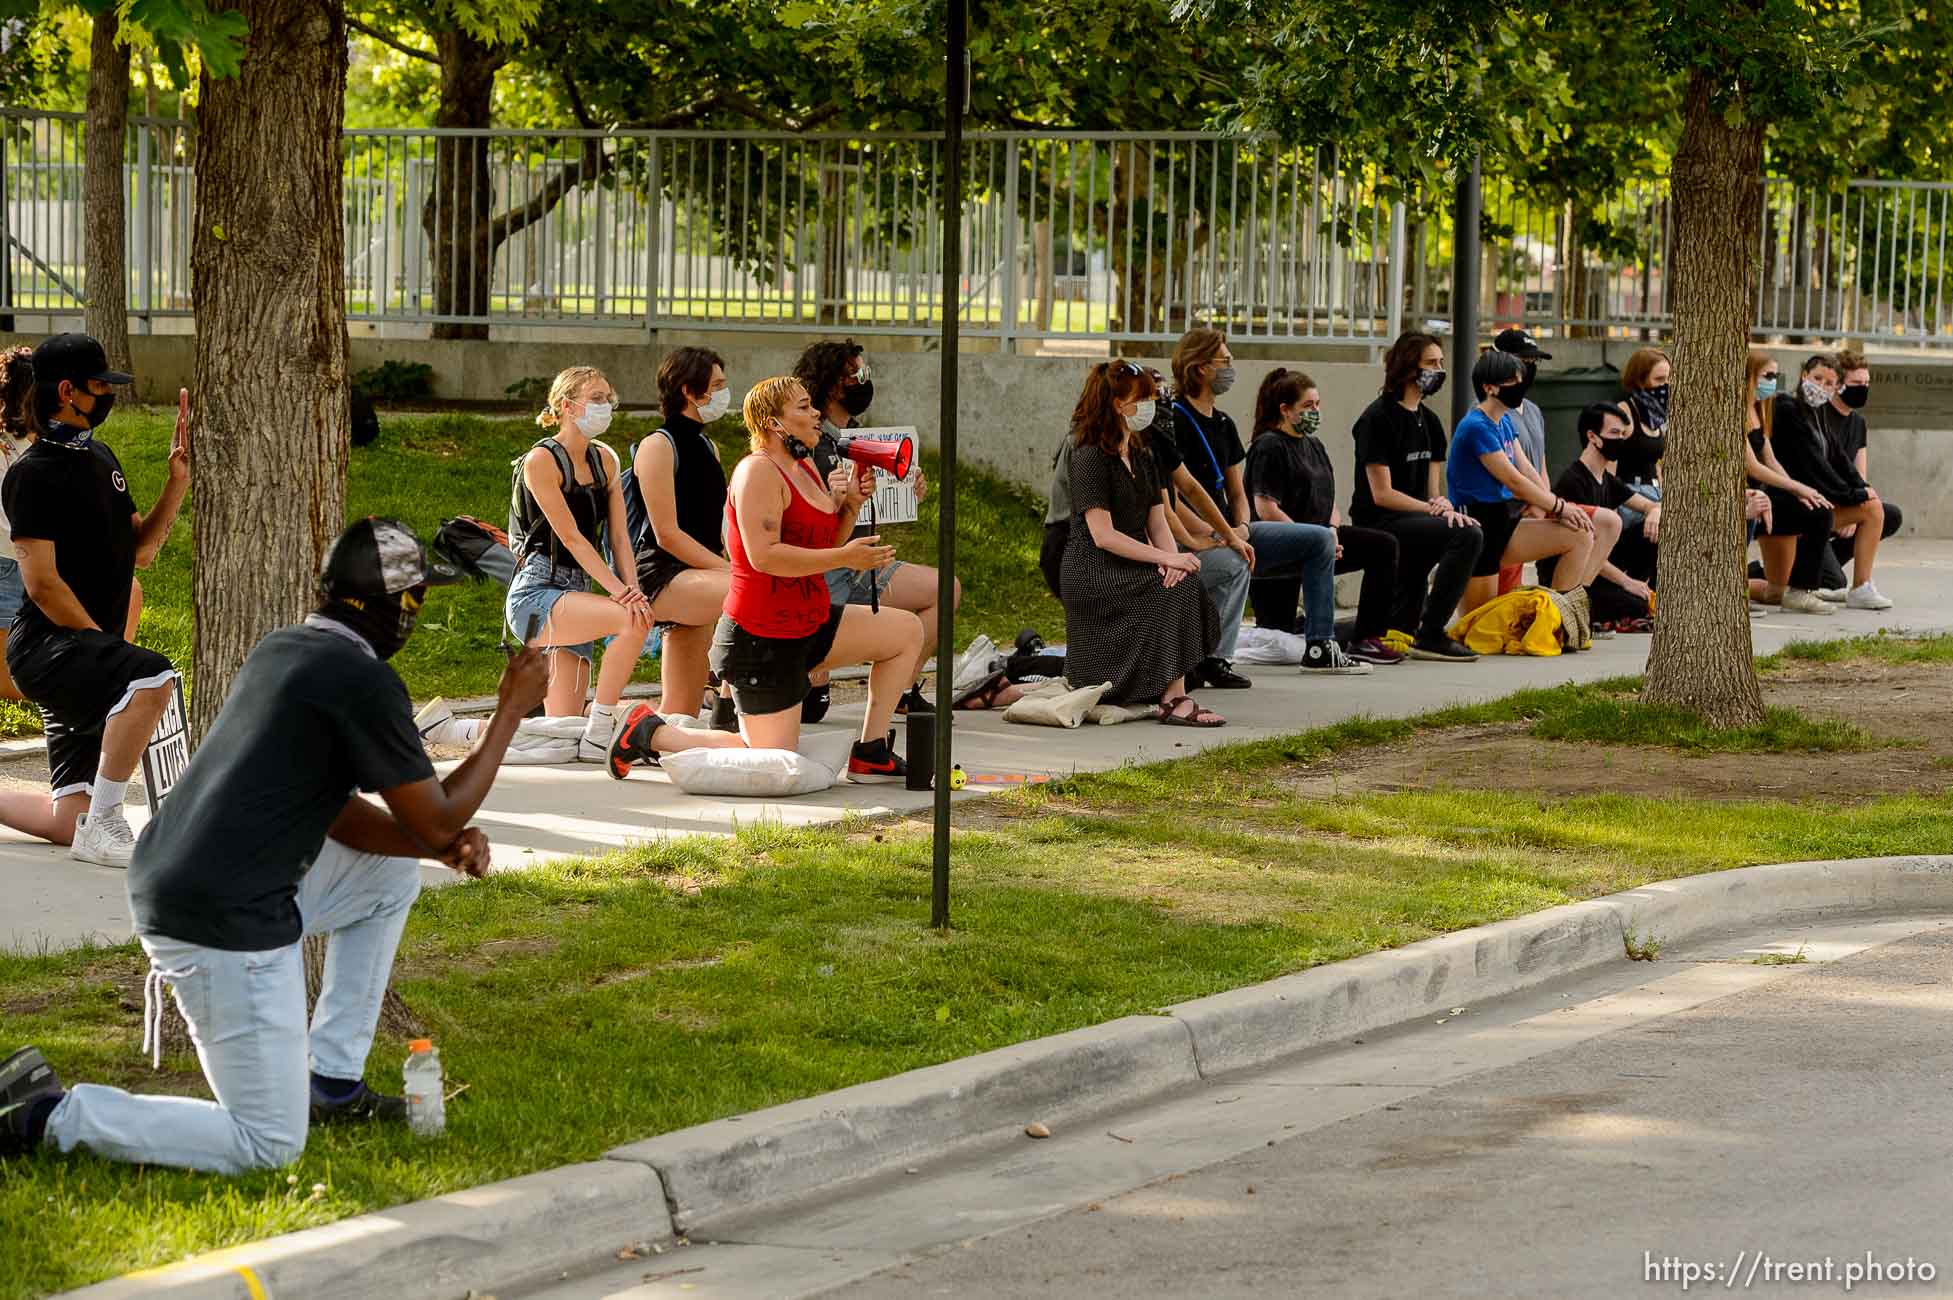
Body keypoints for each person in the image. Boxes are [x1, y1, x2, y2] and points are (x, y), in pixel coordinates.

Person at [0, 519, 553, 1168]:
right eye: (418, 597)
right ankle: (45, 1115)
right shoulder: (360, 679)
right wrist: (510, 712)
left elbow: (341, 815)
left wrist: (432, 848)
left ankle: (332, 1081)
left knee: (386, 880)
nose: (418, 611)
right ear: (392, 605)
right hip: (216, 914)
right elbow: (436, 818)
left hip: (180, 876)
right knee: (267, 1143)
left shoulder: (286, 648)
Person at [0, 334, 185, 867]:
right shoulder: (30, 475)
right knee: (152, 677)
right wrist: (104, 649)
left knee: (66, 824)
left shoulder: (101, 457)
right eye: (100, 385)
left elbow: (142, 551)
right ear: (67, 391)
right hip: (47, 651)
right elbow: (41, 585)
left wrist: (177, 482)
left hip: (82, 652)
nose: (109, 394)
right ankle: (108, 823)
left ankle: (88, 824)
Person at [694, 376, 922, 780]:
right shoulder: (758, 472)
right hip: (761, 636)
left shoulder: (805, 468)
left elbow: (821, 544)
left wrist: (850, 506)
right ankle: (654, 732)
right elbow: (765, 556)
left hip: (808, 621)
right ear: (773, 423)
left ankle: (870, 751)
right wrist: (846, 556)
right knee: (777, 761)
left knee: (905, 632)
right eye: (803, 407)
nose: (816, 413)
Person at [1167, 328, 1350, 679]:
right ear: (1201, 367)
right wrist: (1217, 533)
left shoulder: (1223, 423)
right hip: (1196, 533)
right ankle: (1216, 658)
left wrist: (1242, 527)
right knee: (1235, 558)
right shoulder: (1175, 420)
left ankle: (1320, 644)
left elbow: (1238, 492)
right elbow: (1175, 498)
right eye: (1225, 360)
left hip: (1230, 530)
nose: (1231, 367)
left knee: (1320, 540)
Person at [793, 340, 957, 720]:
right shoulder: (807, 442)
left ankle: (898, 689)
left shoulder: (860, 434)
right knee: (811, 705)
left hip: (861, 562)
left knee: (945, 590)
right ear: (833, 383)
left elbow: (878, 496)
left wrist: (907, 488)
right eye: (857, 374)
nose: (865, 381)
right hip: (825, 565)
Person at [504, 367, 655, 763]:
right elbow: (571, 537)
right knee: (633, 620)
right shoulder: (541, 460)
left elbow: (619, 538)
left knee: (562, 731)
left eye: (609, 398)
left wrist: (632, 586)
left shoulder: (605, 458)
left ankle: (465, 731)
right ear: (567, 406)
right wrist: (621, 594)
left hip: (577, 594)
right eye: (597, 398)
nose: (606, 406)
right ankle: (603, 727)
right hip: (538, 593)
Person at [1061, 361, 1223, 724]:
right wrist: (1163, 560)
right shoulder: (1089, 455)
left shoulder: (1142, 452)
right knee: (1173, 589)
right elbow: (1102, 536)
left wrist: (1170, 560)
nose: (1151, 405)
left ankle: (1171, 693)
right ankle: (1172, 700)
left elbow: (1157, 518)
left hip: (1133, 559)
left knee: (1183, 584)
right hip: (1095, 570)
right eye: (1143, 398)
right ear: (1118, 404)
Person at [1245, 369, 1402, 668]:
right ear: (1285, 409)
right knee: (1279, 642)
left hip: (1321, 540)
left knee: (1382, 545)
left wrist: (1330, 533)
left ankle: (1366, 637)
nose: (1315, 412)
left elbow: (1330, 501)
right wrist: (1312, 542)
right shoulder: (1269, 446)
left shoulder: (1314, 445)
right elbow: (1266, 508)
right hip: (1281, 549)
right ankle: (1307, 629)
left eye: (1317, 404)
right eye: (1308, 406)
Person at [1346, 331, 1483, 661]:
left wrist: (1442, 505)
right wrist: (1430, 510)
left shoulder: (1431, 422)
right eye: (1431, 363)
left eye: (1441, 363)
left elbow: (1432, 492)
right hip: (1381, 520)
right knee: (1468, 535)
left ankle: (1411, 626)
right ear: (1408, 368)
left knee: (1462, 525)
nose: (1439, 370)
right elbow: (1382, 494)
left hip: (1414, 516)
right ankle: (1432, 632)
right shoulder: (1376, 419)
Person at [1450, 350, 1609, 623]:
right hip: (1477, 522)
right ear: (1490, 388)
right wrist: (1558, 506)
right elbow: (1512, 479)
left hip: (1502, 517)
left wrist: (1560, 508)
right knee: (1475, 625)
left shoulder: (1504, 421)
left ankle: (1557, 620)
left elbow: (1527, 470)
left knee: (1579, 534)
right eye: (1513, 381)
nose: (1521, 386)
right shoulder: (1476, 426)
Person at [629, 346, 735, 721]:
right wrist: (729, 572)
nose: (724, 393)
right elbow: (667, 535)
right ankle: (735, 703)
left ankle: (627, 732)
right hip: (663, 574)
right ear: (689, 391)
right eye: (717, 385)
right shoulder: (657, 446)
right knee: (753, 596)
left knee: (680, 713)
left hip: (701, 573)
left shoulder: (708, 446)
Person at [1768, 355, 1891, 611]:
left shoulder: (1818, 414)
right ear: (1804, 376)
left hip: (1811, 500)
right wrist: (1849, 494)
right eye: (1817, 379)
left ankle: (1861, 588)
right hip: (1783, 502)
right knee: (1774, 591)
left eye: (1829, 383)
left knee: (1874, 508)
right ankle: (1794, 590)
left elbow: (1838, 458)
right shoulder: (1787, 408)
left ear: (1836, 388)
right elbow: (1813, 465)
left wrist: (1862, 489)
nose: (1821, 386)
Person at [1541, 402, 1659, 627]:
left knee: (1652, 532)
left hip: (1597, 570)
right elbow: (1583, 548)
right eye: (1614, 433)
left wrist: (1654, 512)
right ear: (1592, 437)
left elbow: (1650, 505)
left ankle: (1646, 596)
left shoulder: (1607, 480)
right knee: (1636, 604)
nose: (1621, 440)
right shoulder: (1573, 481)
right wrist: (1626, 582)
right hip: (1570, 576)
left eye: (1624, 434)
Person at [1743, 351, 1840, 615]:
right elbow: (1752, 466)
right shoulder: (1734, 411)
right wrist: (1796, 487)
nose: (1772, 382)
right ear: (1749, 376)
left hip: (1764, 496)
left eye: (1775, 376)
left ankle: (1793, 590)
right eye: (1767, 376)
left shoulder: (1760, 409)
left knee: (1816, 509)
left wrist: (1798, 491)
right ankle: (1800, 591)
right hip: (1744, 495)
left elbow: (1770, 459)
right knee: (1819, 513)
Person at [1812, 349, 1902, 599]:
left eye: (1866, 383)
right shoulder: (1818, 416)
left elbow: (1859, 474)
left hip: (1842, 505)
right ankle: (1776, 568)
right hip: (1818, 506)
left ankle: (1817, 561)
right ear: (1839, 384)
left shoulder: (1858, 423)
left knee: (1890, 514)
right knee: (1833, 583)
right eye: (1856, 383)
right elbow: (1819, 473)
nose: (1862, 388)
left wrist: (1855, 509)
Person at [1490, 329, 1554, 596]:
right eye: (1523, 362)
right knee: (1502, 594)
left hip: (1536, 504)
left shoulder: (1535, 410)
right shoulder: (1491, 411)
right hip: (1507, 511)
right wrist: (1539, 502)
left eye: (1533, 363)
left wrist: (1547, 501)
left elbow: (1539, 463)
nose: (1529, 369)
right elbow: (1507, 472)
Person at [1616, 347, 1670, 530]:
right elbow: (1608, 474)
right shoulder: (1623, 413)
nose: (1667, 385)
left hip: (1656, 494)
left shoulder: (1658, 416)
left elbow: (1657, 464)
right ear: (1640, 381)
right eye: (1659, 380)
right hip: (1631, 498)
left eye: (1669, 379)